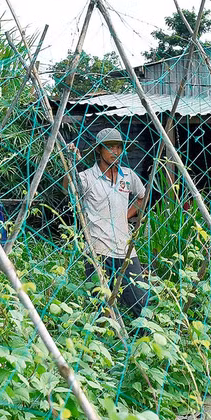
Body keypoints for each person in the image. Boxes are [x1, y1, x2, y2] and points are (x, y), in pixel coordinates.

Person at [66, 128, 149, 318]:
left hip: (125, 250)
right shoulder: (86, 177)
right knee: (100, 307)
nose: (115, 151)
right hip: (98, 251)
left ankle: (144, 341)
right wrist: (70, 164)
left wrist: (125, 215)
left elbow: (142, 196)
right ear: (99, 149)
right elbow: (68, 190)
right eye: (110, 147)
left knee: (140, 302)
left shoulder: (128, 176)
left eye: (118, 147)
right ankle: (101, 345)